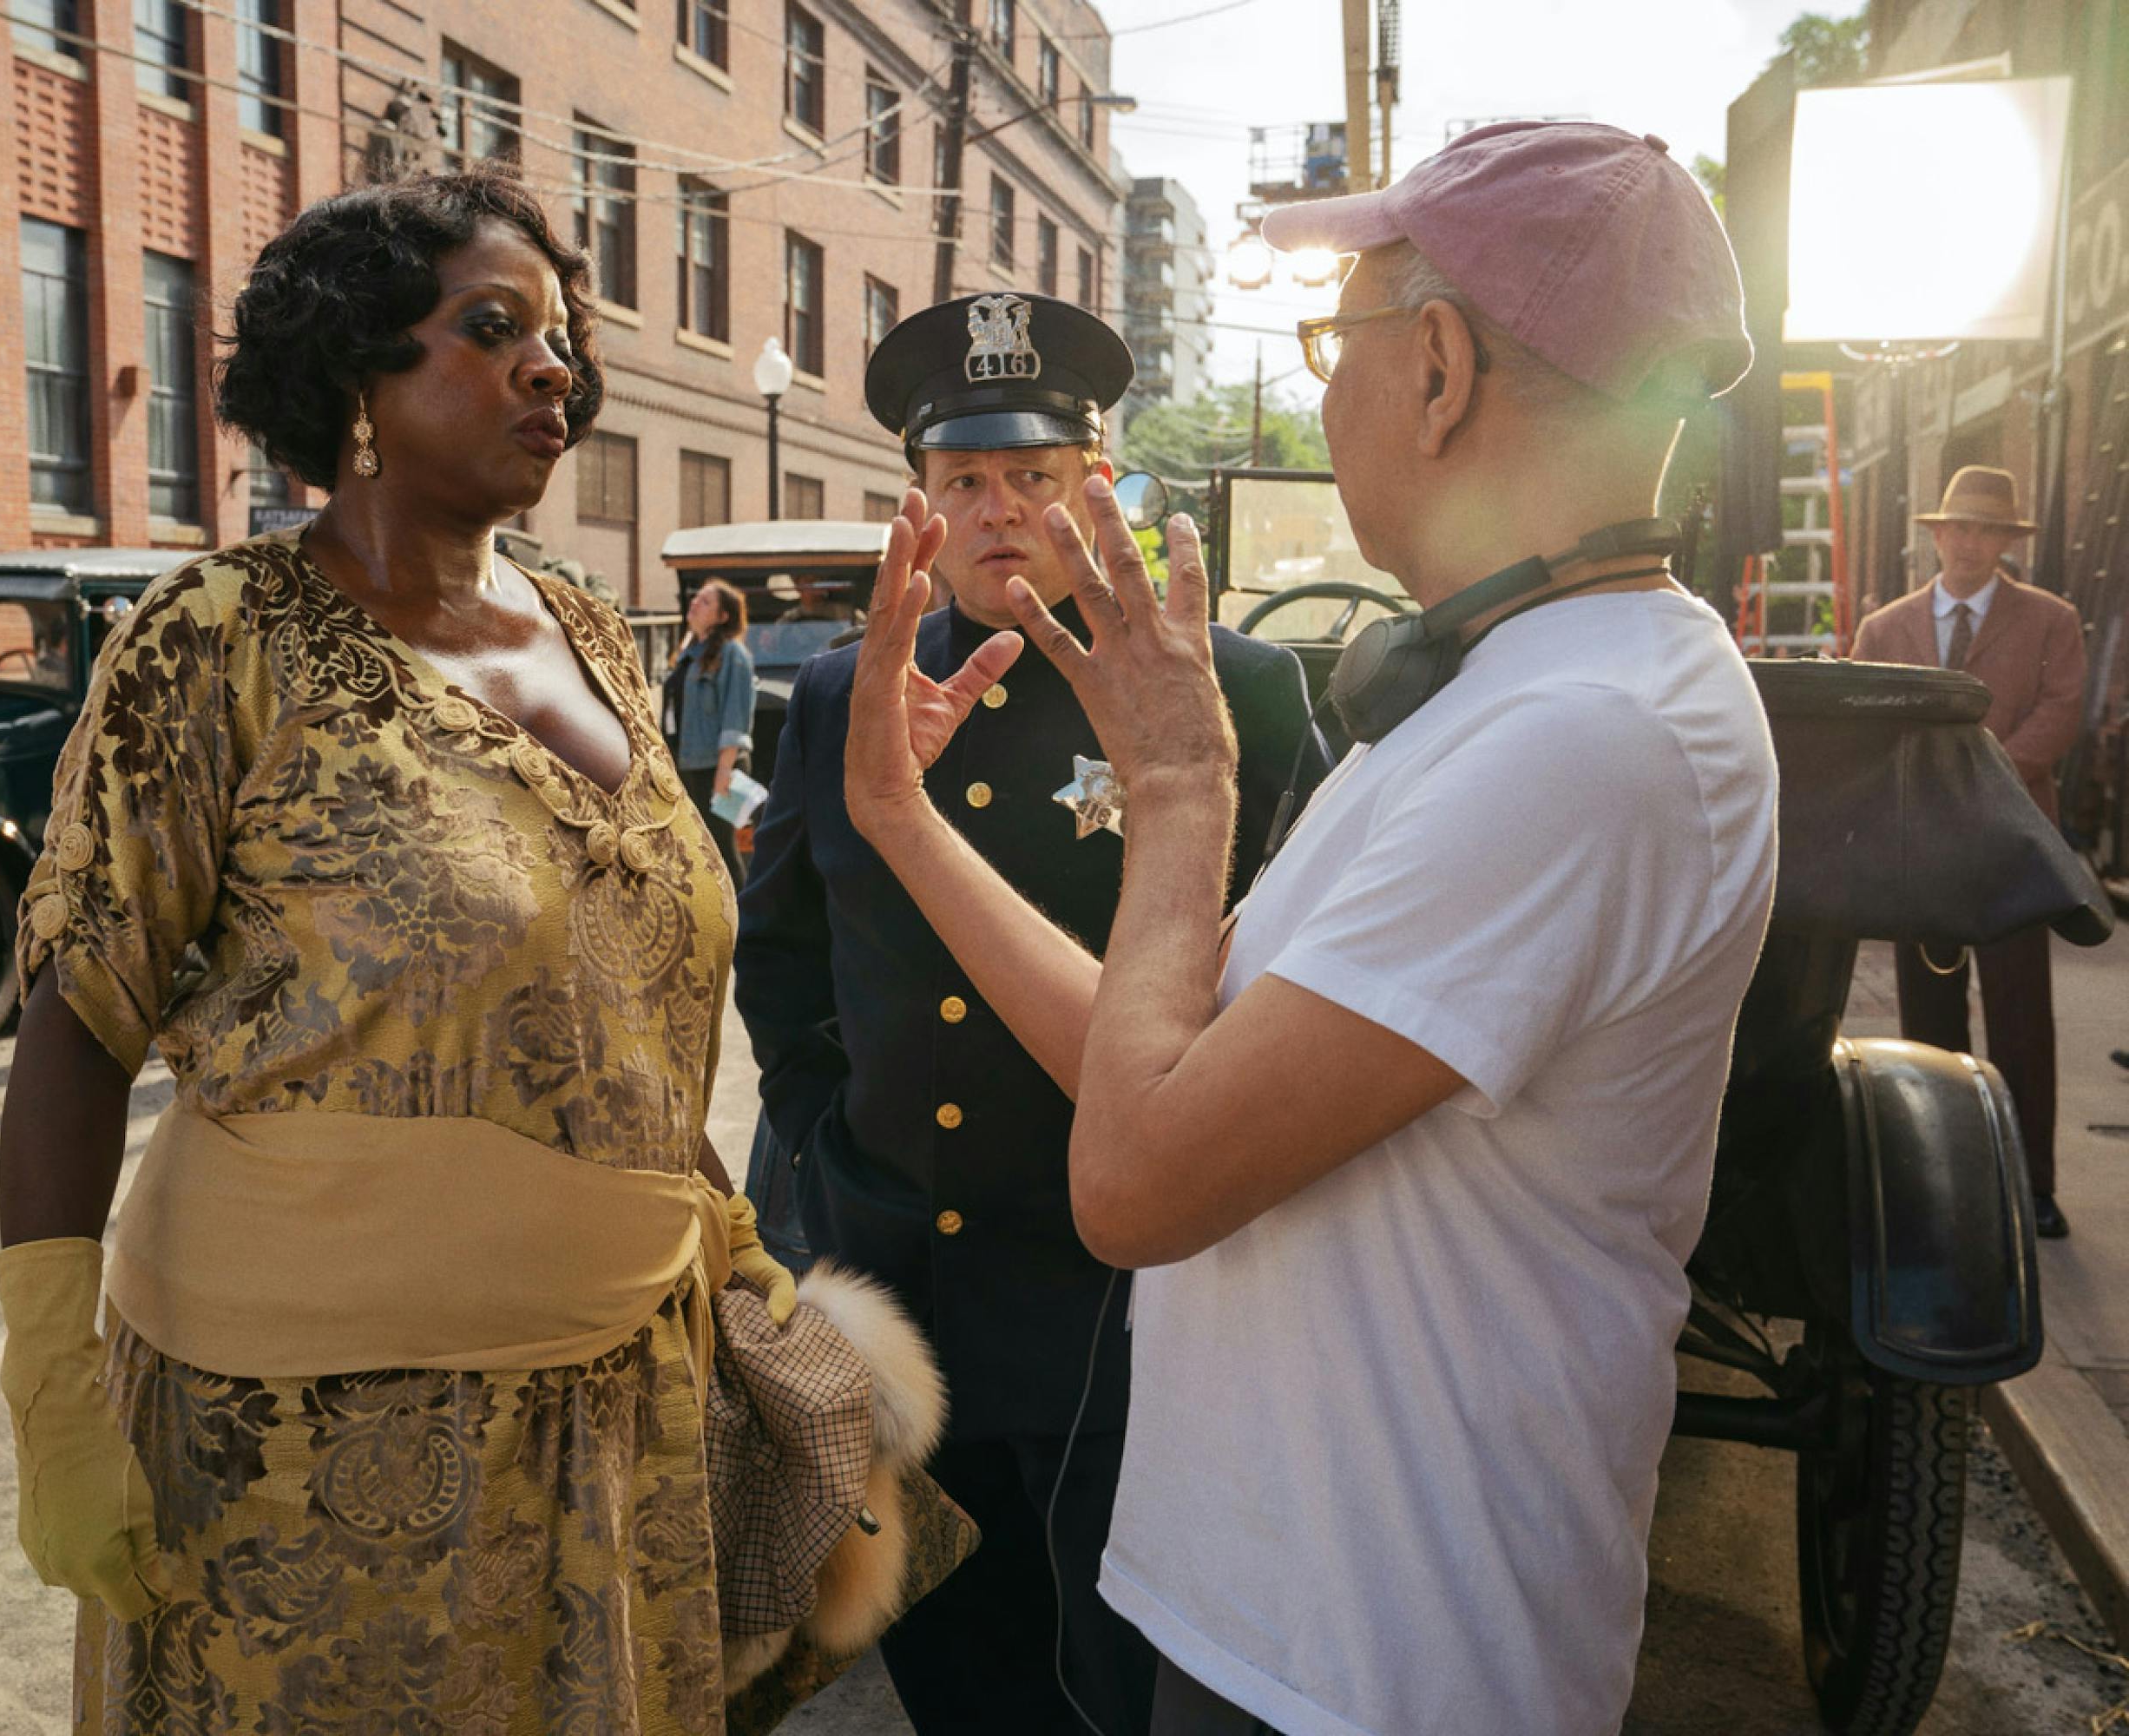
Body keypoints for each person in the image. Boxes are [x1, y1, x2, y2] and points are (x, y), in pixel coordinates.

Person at [839, 125, 1777, 1733]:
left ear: (1436, 369)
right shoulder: (1512, 690)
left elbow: (1135, 1183)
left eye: (1332, 337)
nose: (1327, 382)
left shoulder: (1582, 736)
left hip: (1376, 1656)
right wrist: (903, 827)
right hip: (1281, 1608)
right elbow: (1162, 1071)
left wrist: (1185, 789)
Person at [0, 167, 796, 1732]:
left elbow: (631, 995)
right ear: (356, 373)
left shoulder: (603, 641)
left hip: (620, 1405)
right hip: (304, 1448)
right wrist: (51, 1400)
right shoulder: (219, 635)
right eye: (491, 331)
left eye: (560, 336)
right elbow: (75, 1017)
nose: (552, 368)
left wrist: (736, 1255)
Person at [733, 291, 1326, 1733]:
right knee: (960, 1679)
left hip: (1119, 1304)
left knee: (1131, 1687)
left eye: (1036, 479)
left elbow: (1288, 981)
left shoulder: (1225, 687)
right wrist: (830, 1153)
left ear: (1098, 478)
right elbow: (785, 960)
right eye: (965, 483)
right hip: (905, 1298)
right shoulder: (835, 694)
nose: (1001, 512)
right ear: (918, 502)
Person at [1851, 464, 2086, 1239]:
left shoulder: (2052, 621)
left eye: (1987, 530)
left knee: (2021, 1016)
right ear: (1937, 535)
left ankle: (2031, 1185)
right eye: (1958, 528)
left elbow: (2058, 718)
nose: (1969, 543)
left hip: (2015, 848)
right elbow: (1867, 729)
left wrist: (1982, 781)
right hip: (1924, 855)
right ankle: (1938, 1180)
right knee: (1928, 1023)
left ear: (2004, 542)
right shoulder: (1886, 629)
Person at [668, 576, 755, 884]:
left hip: (721, 768)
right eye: (696, 598)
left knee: (724, 851)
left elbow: (735, 717)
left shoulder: (734, 654)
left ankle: (745, 926)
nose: (695, 603)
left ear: (723, 617)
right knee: (697, 851)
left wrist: (724, 774)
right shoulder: (690, 654)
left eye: (705, 601)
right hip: (690, 764)